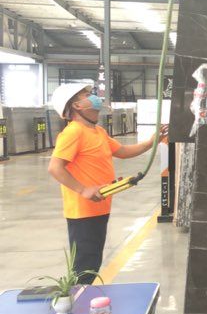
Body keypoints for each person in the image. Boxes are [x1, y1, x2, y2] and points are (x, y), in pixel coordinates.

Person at [47, 82, 167, 283]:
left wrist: (151, 142)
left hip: (100, 206)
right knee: (85, 267)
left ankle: (84, 297)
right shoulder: (73, 132)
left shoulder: (98, 132)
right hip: (83, 211)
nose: (93, 97)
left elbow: (123, 152)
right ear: (76, 105)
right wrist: (83, 190)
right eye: (86, 95)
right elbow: (55, 167)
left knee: (92, 262)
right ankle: (80, 300)